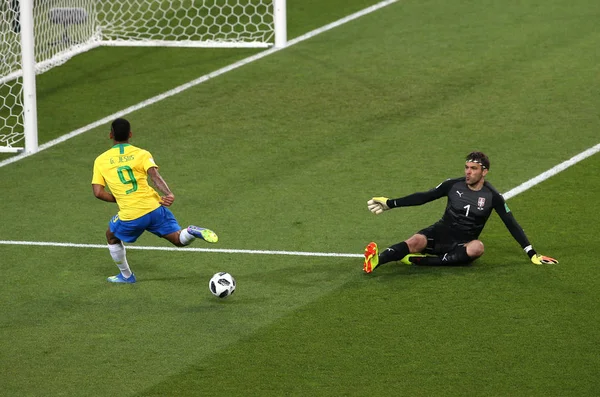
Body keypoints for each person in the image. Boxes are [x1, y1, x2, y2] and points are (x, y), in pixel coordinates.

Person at [363, 151, 558, 273]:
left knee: (478, 248)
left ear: (485, 172)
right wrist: (390, 203)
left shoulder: (492, 196)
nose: (468, 172)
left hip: (463, 243)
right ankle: (376, 261)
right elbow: (423, 197)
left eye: (473, 168)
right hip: (441, 233)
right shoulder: (452, 185)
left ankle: (424, 262)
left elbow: (511, 223)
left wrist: (531, 253)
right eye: (466, 167)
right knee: (414, 241)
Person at [92, 118, 218, 283]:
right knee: (178, 239)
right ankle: (191, 231)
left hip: (132, 214)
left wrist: (120, 198)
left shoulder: (101, 160)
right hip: (154, 207)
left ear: (110, 135)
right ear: (130, 134)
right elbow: (155, 176)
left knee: (111, 236)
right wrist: (169, 193)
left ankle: (126, 276)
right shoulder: (142, 154)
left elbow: (98, 193)